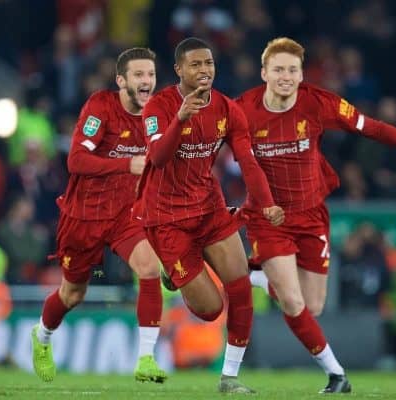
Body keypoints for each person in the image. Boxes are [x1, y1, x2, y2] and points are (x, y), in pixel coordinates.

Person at [235, 37, 396, 393]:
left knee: (312, 305)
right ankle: (336, 375)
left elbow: (373, 127)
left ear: (301, 74)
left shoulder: (319, 103)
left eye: (293, 70)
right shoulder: (241, 111)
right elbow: (202, 144)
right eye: (278, 69)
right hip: (270, 216)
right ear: (264, 72)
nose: (286, 76)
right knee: (294, 301)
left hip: (312, 213)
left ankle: (254, 278)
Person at [138, 37, 284, 394]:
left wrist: (266, 202)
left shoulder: (227, 109)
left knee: (239, 289)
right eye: (195, 65)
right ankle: (174, 273)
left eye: (209, 64)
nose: (204, 71)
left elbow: (247, 161)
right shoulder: (158, 107)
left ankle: (229, 378)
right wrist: (180, 119)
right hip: (167, 219)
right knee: (210, 310)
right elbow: (157, 157)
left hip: (209, 209)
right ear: (178, 71)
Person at [31, 48, 166, 384]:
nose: (146, 81)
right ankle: (42, 335)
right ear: (121, 80)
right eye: (138, 75)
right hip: (84, 215)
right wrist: (126, 164)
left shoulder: (158, 114)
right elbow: (75, 161)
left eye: (150, 74)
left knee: (149, 268)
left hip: (125, 214)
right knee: (72, 294)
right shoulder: (100, 107)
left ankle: (146, 358)